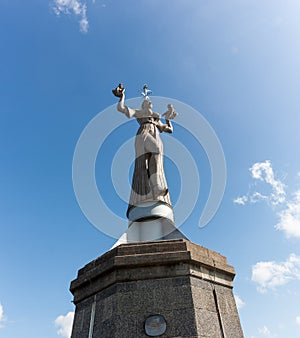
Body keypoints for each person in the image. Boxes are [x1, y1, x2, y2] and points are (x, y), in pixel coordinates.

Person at [115, 87, 173, 216]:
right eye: (147, 102)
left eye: (150, 102)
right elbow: (122, 109)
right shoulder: (139, 113)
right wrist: (121, 97)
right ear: (143, 105)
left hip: (155, 134)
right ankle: (155, 187)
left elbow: (169, 129)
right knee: (154, 152)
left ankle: (155, 187)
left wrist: (168, 118)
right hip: (144, 133)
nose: (149, 103)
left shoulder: (155, 118)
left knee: (157, 159)